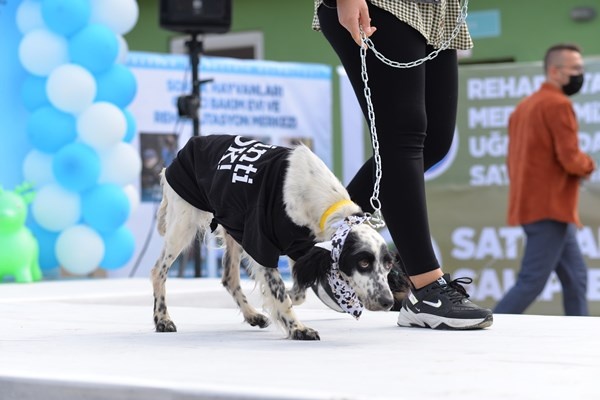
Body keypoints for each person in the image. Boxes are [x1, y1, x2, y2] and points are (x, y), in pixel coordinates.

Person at [312, 0, 493, 329]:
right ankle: (425, 289)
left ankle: (326, 253)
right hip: (384, 5)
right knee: (401, 137)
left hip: (440, 10)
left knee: (434, 142)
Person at [494, 43, 594, 316]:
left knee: (576, 277)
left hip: (540, 207)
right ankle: (490, 325)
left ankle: (580, 333)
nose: (579, 74)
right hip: (550, 208)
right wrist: (589, 165)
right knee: (532, 282)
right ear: (554, 71)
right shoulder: (559, 105)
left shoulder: (524, 107)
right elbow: (571, 159)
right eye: (574, 69)